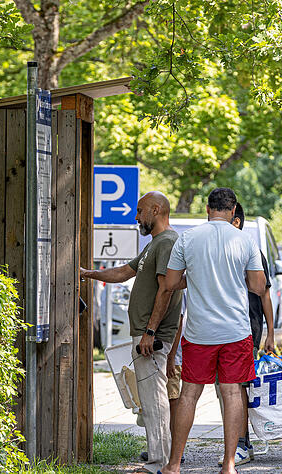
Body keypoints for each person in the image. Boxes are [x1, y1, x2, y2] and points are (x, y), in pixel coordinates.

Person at [158, 188, 267, 474]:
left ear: (207, 209)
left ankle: (174, 464)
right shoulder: (245, 240)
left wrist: (195, 279)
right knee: (232, 394)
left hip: (198, 333)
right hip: (235, 331)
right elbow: (258, 286)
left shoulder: (188, 238)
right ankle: (229, 465)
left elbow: (170, 283)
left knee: (189, 395)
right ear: (233, 211)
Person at [80, 191, 182, 474]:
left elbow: (166, 289)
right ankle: (158, 460)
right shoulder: (155, 244)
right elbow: (124, 272)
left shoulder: (168, 242)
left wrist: (150, 331)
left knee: (154, 399)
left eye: (140, 211)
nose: (136, 216)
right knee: (148, 399)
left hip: (153, 335)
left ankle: (159, 464)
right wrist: (88, 273)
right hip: (146, 333)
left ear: (156, 209)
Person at [215, 202, 276, 466]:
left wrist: (271, 334)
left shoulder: (252, 251)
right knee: (225, 387)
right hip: (223, 327)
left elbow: (265, 295)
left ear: (236, 221)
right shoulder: (219, 251)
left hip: (246, 329)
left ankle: (241, 444)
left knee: (235, 386)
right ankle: (237, 441)